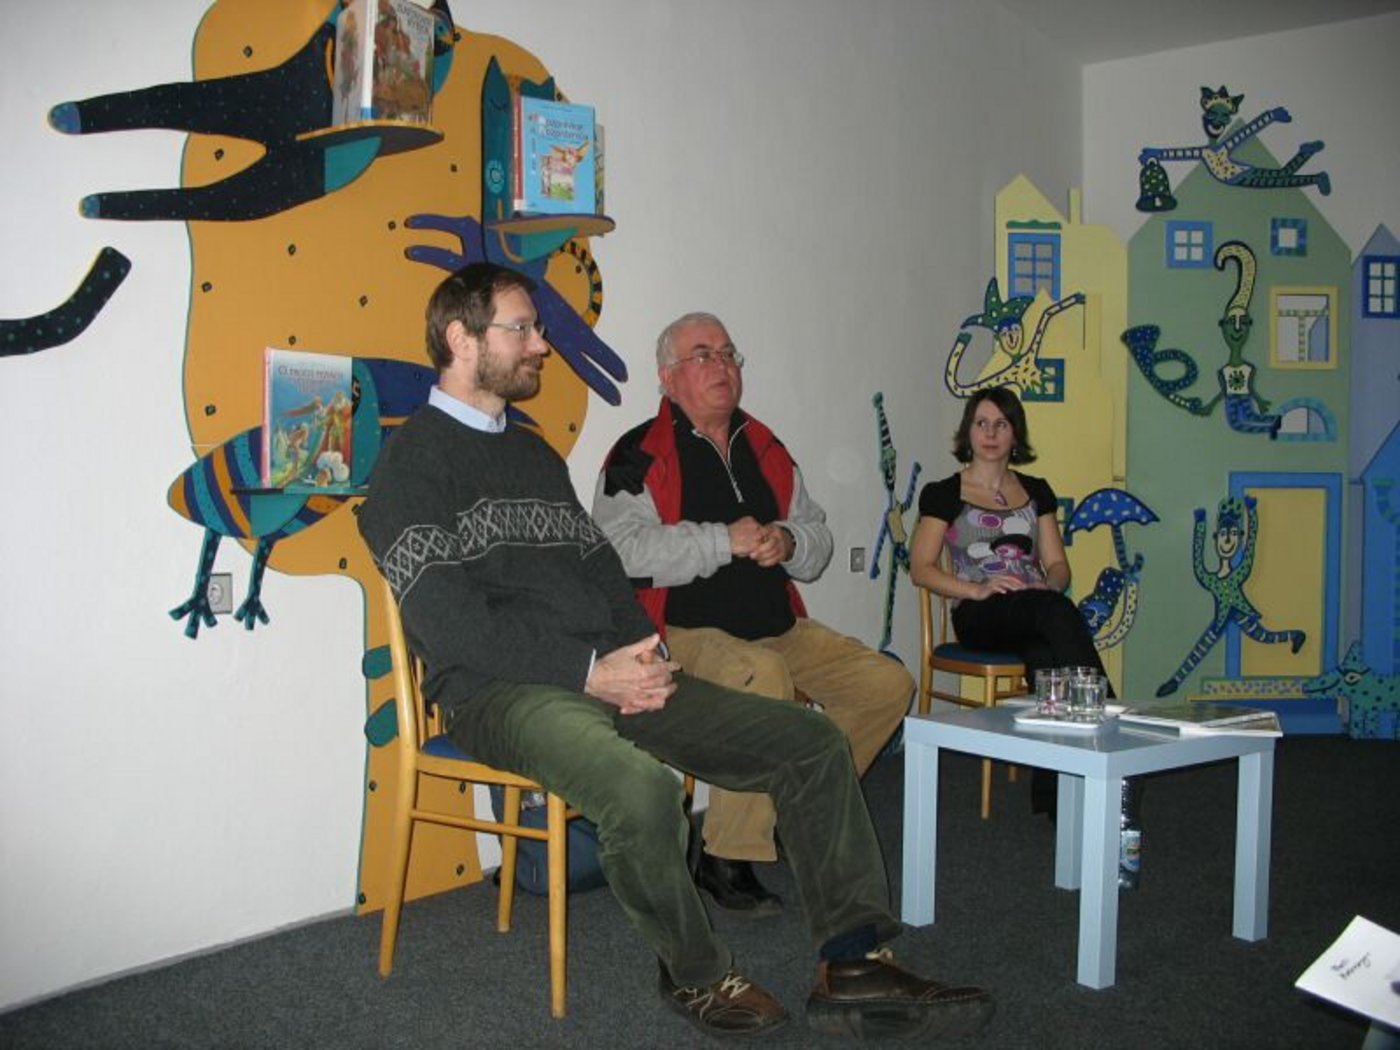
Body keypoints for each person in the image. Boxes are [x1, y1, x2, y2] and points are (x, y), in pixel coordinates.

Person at [358, 263, 993, 1041]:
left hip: (606, 669)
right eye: (521, 329)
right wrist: (590, 673)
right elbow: (453, 624)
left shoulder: (532, 455)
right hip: (500, 692)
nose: (541, 346)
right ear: (461, 340)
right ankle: (696, 972)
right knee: (642, 788)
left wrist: (642, 652)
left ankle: (854, 960)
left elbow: (600, 567)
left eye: (537, 329)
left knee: (810, 741)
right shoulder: (410, 465)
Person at [593, 311, 913, 917]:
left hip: (778, 625)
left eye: (728, 353)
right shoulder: (638, 454)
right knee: (761, 676)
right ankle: (725, 854)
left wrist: (788, 542)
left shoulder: (765, 445)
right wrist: (725, 541)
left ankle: (799, 808)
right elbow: (621, 551)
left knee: (886, 684)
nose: (722, 365)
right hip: (681, 632)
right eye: (703, 354)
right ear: (668, 377)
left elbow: (816, 536)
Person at [909, 387, 1114, 814]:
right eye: (981, 423)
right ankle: (1111, 723)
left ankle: (1055, 798)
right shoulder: (944, 492)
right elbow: (921, 568)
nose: (990, 433)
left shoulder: (1036, 491)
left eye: (1001, 424)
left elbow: (1058, 566)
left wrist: (1048, 587)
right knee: (1052, 614)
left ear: (1015, 433)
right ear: (967, 431)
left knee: (1045, 658)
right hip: (980, 612)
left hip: (1035, 610)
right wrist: (977, 589)